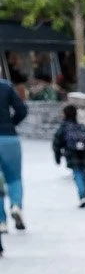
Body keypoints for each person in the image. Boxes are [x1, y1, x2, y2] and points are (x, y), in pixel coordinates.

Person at [53, 106, 85, 208]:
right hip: (84, 153)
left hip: (72, 154)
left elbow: (56, 144)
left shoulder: (63, 128)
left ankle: (82, 196)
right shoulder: (82, 127)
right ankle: (84, 194)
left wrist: (57, 157)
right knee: (83, 173)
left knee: (77, 174)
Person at [0, 73, 25, 237]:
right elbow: (22, 110)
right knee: (14, 178)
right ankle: (16, 205)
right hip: (9, 138)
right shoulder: (6, 86)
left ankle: (1, 222)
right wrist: (11, 124)